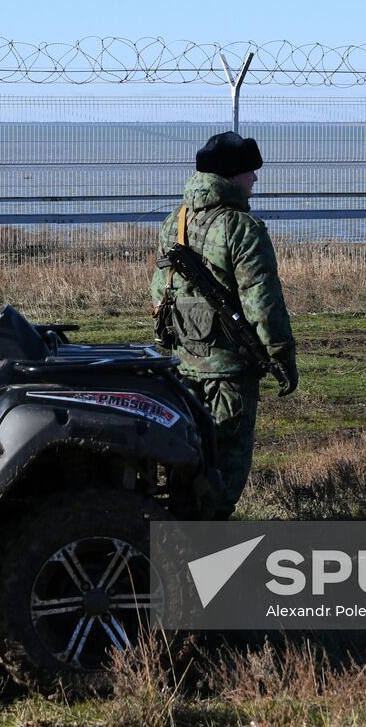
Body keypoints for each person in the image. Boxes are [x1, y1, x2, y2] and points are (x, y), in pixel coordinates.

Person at [150, 131, 298, 519]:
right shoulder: (242, 227)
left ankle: (179, 532)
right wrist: (281, 354)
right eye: (251, 172)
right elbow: (262, 301)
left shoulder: (174, 221)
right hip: (229, 369)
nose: (255, 180)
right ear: (233, 176)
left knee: (186, 454)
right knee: (226, 464)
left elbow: (159, 292)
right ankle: (207, 550)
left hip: (182, 363)